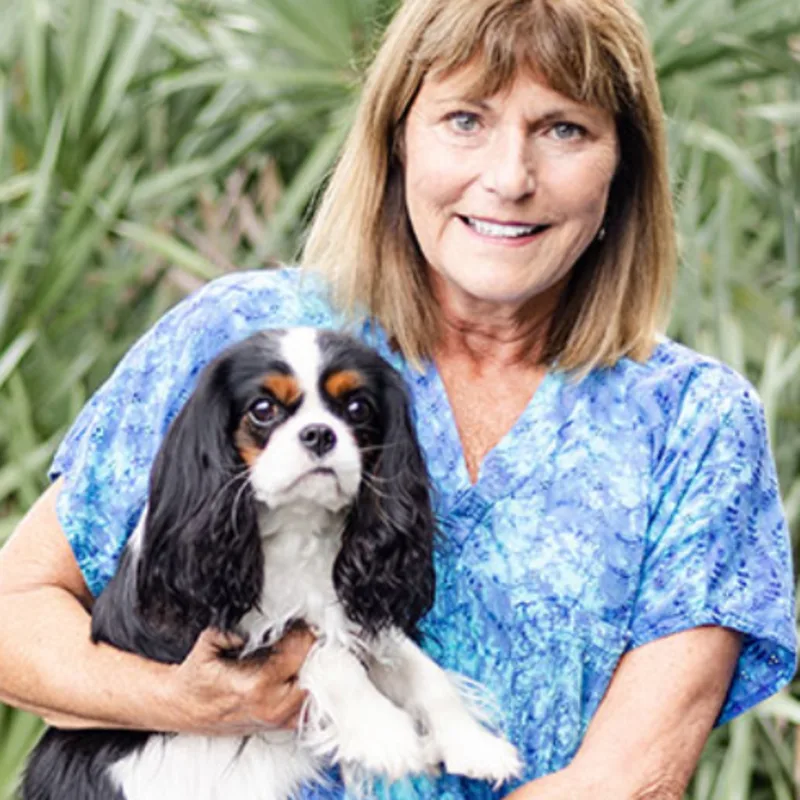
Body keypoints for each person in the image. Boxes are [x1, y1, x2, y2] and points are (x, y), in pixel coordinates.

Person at [0, 0, 795, 797]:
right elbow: (14, 616)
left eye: (564, 129)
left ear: (623, 166)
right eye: (465, 120)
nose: (509, 178)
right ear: (397, 139)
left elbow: (628, 781)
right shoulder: (236, 334)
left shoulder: (694, 423)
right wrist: (191, 702)